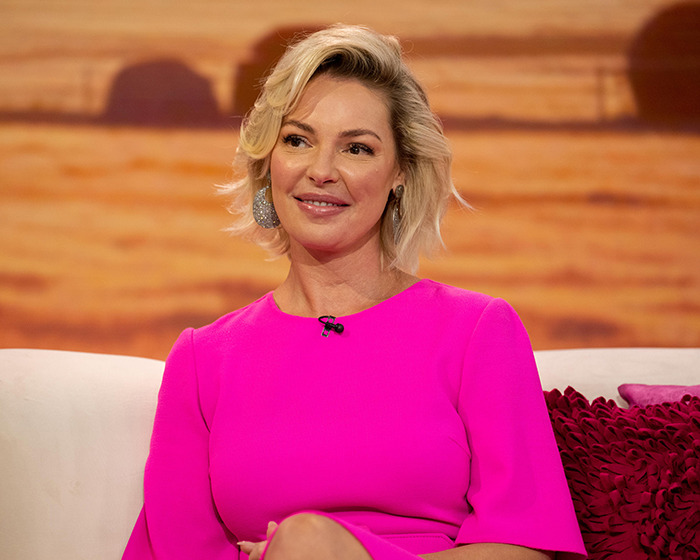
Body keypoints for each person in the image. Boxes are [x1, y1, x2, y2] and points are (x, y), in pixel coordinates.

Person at [123, 24, 587, 560]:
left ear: (401, 173)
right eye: (297, 140)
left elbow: (525, 547)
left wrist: (325, 551)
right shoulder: (202, 359)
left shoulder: (478, 331)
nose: (321, 171)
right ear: (267, 162)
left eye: (357, 148)